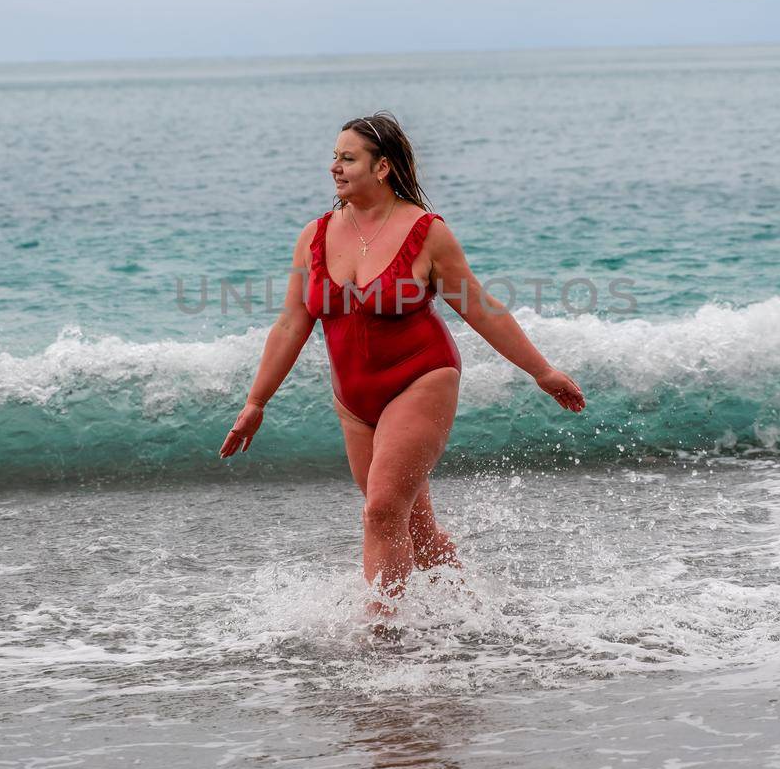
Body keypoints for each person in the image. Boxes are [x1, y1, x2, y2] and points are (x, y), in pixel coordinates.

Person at [219, 112, 586, 610]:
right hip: (354, 400)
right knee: (414, 523)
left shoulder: (426, 232)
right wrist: (256, 401)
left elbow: (480, 307)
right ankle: (476, 614)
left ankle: (382, 633)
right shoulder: (314, 235)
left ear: (383, 167)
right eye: (334, 157)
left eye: (348, 158)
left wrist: (541, 371)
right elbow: (290, 324)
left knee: (382, 510)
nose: (335, 167)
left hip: (421, 378)